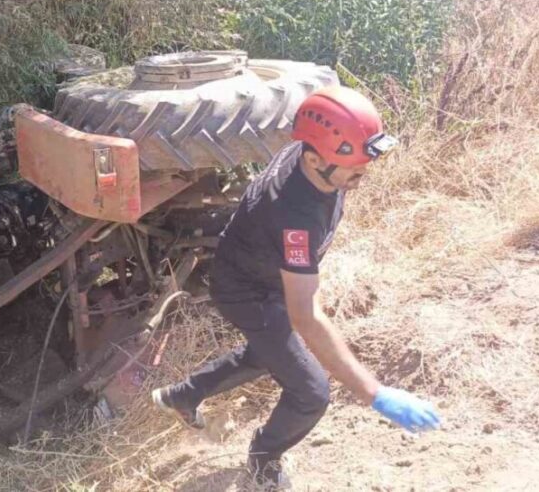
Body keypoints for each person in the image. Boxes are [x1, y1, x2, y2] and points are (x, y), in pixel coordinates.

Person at [151, 86, 441, 487]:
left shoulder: (309, 157)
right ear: (314, 159)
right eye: (354, 168)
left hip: (258, 273)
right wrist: (374, 393)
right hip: (249, 293)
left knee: (268, 353)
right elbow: (306, 315)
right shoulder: (296, 216)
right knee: (311, 392)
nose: (363, 175)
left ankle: (183, 395)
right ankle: (263, 459)